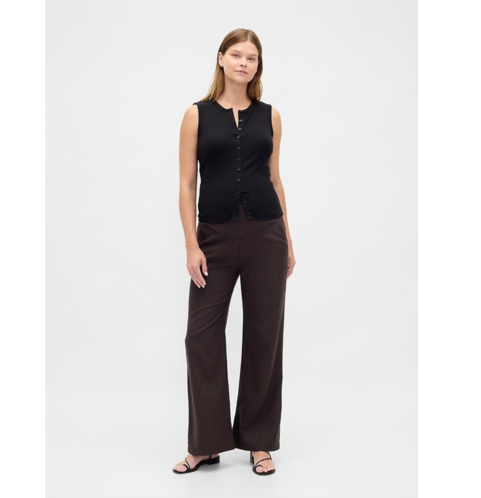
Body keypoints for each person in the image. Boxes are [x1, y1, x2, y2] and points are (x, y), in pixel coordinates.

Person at [173, 28, 296, 476]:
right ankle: (206, 444)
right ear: (221, 58)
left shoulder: (270, 116)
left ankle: (259, 441)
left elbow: (275, 178)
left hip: (266, 235)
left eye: (252, 57)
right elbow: (187, 183)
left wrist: (288, 239)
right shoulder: (196, 114)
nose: (245, 63)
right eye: (238, 55)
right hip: (214, 239)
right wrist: (191, 244)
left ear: (257, 66)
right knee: (201, 336)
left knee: (265, 336)